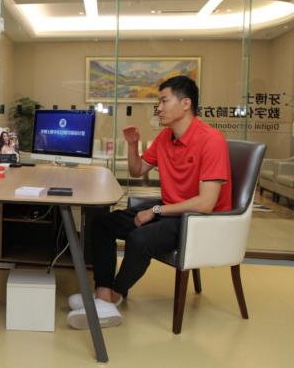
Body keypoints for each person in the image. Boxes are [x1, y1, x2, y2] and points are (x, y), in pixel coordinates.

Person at [66, 75, 232, 329]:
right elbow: (137, 171)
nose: (159, 108)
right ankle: (103, 294)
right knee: (101, 224)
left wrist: (155, 210)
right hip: (172, 210)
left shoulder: (211, 140)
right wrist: (133, 145)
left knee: (139, 239)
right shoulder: (165, 137)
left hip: (199, 221)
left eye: (164, 101)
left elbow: (206, 203)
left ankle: (115, 295)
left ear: (186, 103)